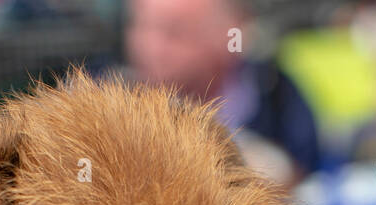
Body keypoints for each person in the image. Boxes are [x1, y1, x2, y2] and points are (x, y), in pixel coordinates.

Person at [124, 0, 322, 185]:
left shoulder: (277, 95)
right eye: (141, 27)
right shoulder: (108, 100)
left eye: (176, 33)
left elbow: (309, 182)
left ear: (229, 32)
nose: (152, 48)